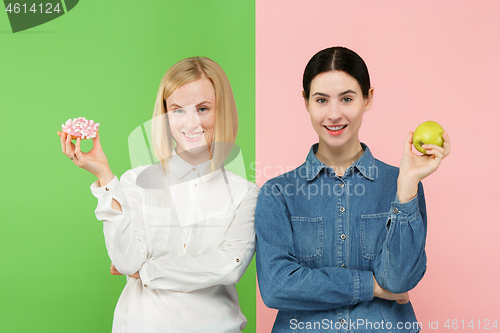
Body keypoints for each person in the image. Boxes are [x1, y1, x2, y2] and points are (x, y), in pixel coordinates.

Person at [255, 46, 450, 333]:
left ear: (368, 98)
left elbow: (399, 280)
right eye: (321, 100)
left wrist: (407, 186)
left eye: (347, 98)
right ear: (306, 101)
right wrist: (372, 286)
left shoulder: (402, 186)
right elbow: (276, 287)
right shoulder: (278, 194)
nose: (334, 114)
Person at [57, 57, 259, 333]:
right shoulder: (135, 181)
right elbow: (127, 260)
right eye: (177, 110)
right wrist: (104, 176)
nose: (191, 123)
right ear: (164, 115)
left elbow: (229, 266)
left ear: (221, 111)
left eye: (202, 108)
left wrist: (146, 271)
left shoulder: (245, 193)